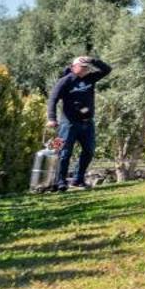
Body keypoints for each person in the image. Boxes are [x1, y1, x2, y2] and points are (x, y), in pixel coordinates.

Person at [44, 54, 111, 192]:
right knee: (63, 152)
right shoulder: (65, 81)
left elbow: (107, 70)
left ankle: (78, 179)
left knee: (89, 151)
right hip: (68, 124)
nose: (86, 69)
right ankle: (60, 181)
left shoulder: (90, 78)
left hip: (87, 123)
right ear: (74, 67)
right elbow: (53, 99)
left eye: (87, 67)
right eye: (83, 66)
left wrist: (92, 60)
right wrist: (51, 118)